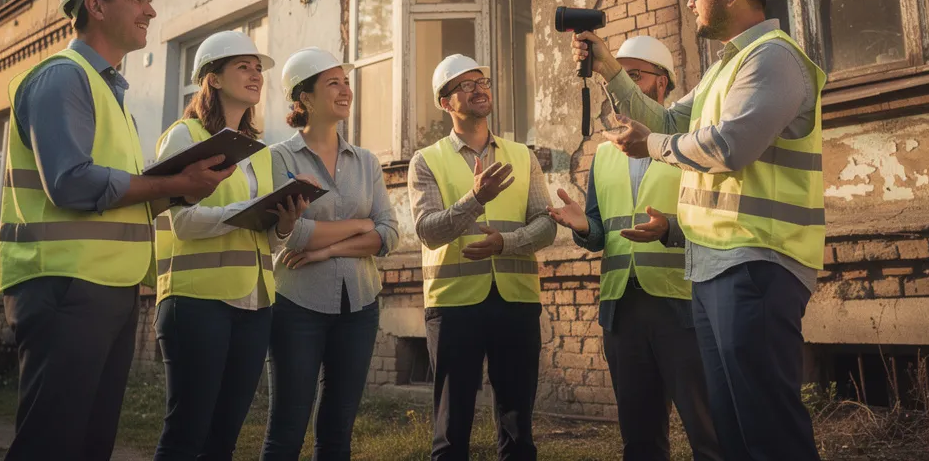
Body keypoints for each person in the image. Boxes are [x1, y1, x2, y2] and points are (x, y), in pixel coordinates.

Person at [571, 0, 826, 461]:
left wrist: (655, 144)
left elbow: (730, 146)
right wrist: (608, 69)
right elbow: (662, 118)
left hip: (757, 260)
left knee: (765, 424)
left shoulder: (774, 59)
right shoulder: (723, 69)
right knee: (733, 428)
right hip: (713, 267)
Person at [0, 0, 236, 461]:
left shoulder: (109, 92)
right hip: (65, 285)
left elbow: (121, 197)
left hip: (107, 288)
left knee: (89, 444)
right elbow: (72, 184)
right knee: (52, 444)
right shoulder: (62, 77)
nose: (150, 11)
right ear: (95, 6)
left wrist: (183, 187)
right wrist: (170, 183)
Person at [548, 36, 722, 461]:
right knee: (640, 440)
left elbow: (718, 217)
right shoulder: (605, 154)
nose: (619, 84)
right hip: (622, 309)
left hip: (681, 304)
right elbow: (599, 233)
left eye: (634, 76)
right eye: (618, 74)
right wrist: (583, 226)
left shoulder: (690, 144)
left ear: (662, 85)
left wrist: (670, 230)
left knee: (710, 433)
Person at [151, 30, 310, 461]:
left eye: (258, 68)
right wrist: (242, 210)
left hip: (255, 305)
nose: (256, 74)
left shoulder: (258, 152)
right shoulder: (183, 136)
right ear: (213, 79)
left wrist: (283, 223)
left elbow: (267, 239)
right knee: (187, 435)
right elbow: (182, 223)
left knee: (223, 440)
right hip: (197, 302)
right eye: (244, 66)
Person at [410, 54, 557, 461]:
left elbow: (547, 225)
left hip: (517, 300)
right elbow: (427, 231)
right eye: (465, 85)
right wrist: (475, 199)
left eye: (482, 81)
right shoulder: (426, 160)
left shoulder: (522, 155)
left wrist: (504, 244)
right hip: (455, 305)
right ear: (445, 103)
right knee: (452, 429)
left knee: (518, 428)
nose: (478, 89)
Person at [261, 47, 401, 461]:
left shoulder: (366, 161)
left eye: (346, 81)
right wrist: (360, 226)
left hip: (360, 304)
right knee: (287, 427)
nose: (346, 90)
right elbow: (290, 231)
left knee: (338, 431)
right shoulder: (278, 158)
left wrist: (330, 250)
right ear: (303, 98)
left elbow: (390, 234)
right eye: (333, 82)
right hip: (295, 305)